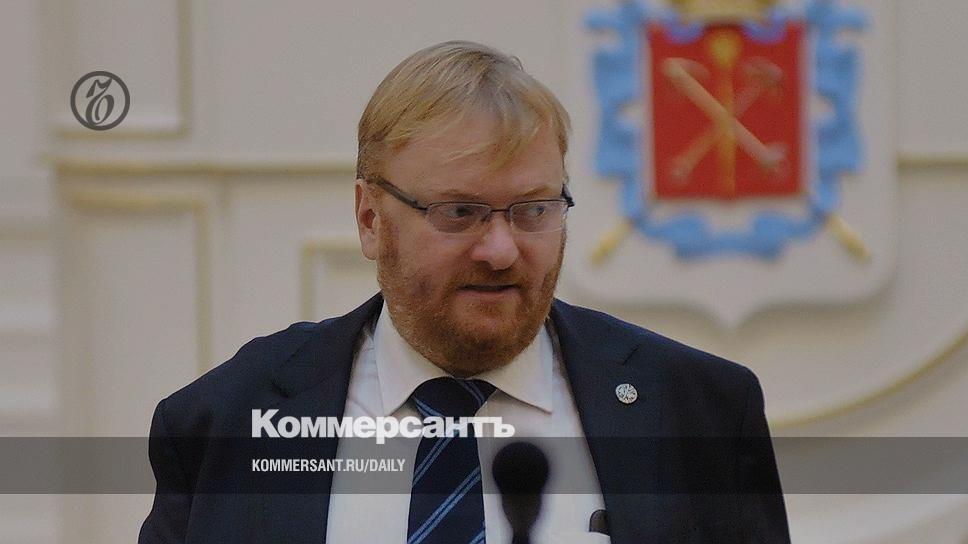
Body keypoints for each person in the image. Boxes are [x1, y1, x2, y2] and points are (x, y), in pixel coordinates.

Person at [139, 41, 790, 544]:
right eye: (459, 213)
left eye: (533, 210)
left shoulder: (696, 411)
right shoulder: (225, 421)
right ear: (370, 219)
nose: (501, 250)